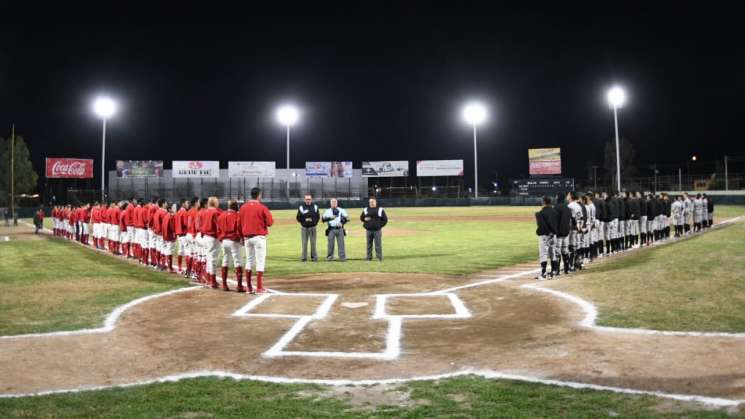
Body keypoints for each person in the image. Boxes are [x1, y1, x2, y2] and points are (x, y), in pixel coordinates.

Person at [239, 188, 274, 294]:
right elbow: (270, 222)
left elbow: (240, 223)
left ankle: (249, 287)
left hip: (247, 238)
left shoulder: (243, 207)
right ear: (259, 195)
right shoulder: (262, 207)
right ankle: (259, 287)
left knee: (249, 261)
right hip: (259, 237)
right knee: (260, 261)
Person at [218, 199, 244, 292]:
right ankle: (239, 286)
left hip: (224, 241)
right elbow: (239, 228)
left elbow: (219, 229)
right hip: (234, 241)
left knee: (225, 261)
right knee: (238, 262)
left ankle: (224, 285)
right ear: (234, 206)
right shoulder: (237, 215)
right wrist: (241, 238)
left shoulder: (221, 215)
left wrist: (221, 238)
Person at [198, 197, 221, 288]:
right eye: (217, 202)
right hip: (213, 238)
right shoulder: (216, 212)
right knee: (213, 259)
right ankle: (213, 281)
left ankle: (208, 279)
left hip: (205, 237)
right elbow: (218, 226)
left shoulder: (204, 212)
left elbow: (201, 225)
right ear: (214, 203)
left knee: (209, 258)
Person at [535, 196, 559, 279]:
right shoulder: (555, 211)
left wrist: (538, 232)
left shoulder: (540, 213)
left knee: (543, 254)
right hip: (554, 235)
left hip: (544, 235)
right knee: (553, 253)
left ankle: (544, 273)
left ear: (544, 202)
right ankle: (554, 271)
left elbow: (541, 226)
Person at [360, 196, 388, 261]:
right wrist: (364, 219)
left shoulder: (380, 209)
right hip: (368, 230)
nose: (371, 203)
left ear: (375, 202)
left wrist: (379, 226)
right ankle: (368, 257)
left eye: (372, 202)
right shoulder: (365, 209)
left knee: (378, 244)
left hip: (377, 230)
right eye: (370, 202)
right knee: (368, 245)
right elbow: (361, 218)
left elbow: (385, 220)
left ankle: (379, 257)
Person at [296, 194, 320, 262]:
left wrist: (313, 222)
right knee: (304, 243)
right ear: (304, 200)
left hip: (313, 227)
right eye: (306, 199)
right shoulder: (301, 207)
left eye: (309, 199)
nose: (308, 200)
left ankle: (314, 258)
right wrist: (305, 220)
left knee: (313, 243)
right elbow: (298, 217)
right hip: (304, 228)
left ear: (311, 199)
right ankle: (304, 258)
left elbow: (317, 217)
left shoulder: (315, 206)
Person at [554, 193, 572, 274]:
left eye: (556, 197)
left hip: (558, 233)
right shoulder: (567, 207)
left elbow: (554, 221)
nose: (555, 198)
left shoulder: (556, 207)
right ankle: (566, 268)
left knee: (557, 252)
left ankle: (557, 270)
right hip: (566, 232)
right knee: (565, 251)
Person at [160, 202, 177, 273]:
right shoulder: (171, 216)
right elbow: (173, 228)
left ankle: (164, 265)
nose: (175, 209)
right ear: (170, 209)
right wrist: (174, 235)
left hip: (165, 235)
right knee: (169, 251)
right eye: (173, 207)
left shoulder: (166, 215)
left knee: (165, 250)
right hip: (170, 236)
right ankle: (169, 268)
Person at [174, 199, 190, 273]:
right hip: (184, 234)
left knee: (180, 251)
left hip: (179, 235)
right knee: (188, 252)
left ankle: (179, 268)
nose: (188, 204)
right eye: (187, 203)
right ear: (183, 204)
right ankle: (188, 269)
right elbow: (186, 224)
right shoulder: (184, 212)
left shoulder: (178, 212)